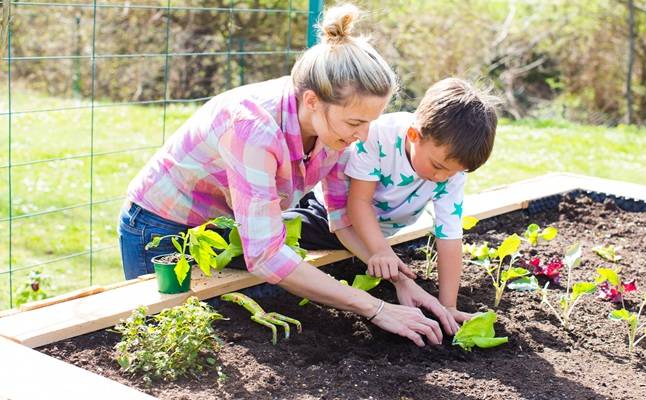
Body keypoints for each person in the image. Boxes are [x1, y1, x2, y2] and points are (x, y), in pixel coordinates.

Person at [118, 4, 453, 347]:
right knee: (170, 340)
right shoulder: (254, 128)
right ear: (311, 100)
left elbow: (340, 218)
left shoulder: (333, 130)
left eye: (370, 122)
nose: (364, 136)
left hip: (223, 230)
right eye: (356, 123)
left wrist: (400, 281)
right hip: (162, 229)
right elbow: (264, 255)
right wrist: (375, 308)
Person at [286, 78, 498, 325]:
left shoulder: (450, 169)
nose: (442, 178)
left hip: (374, 231)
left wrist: (448, 305)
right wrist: (381, 251)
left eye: (452, 172)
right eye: (438, 167)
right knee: (279, 232)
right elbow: (358, 203)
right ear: (413, 135)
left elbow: (449, 235)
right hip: (329, 215)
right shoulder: (379, 135)